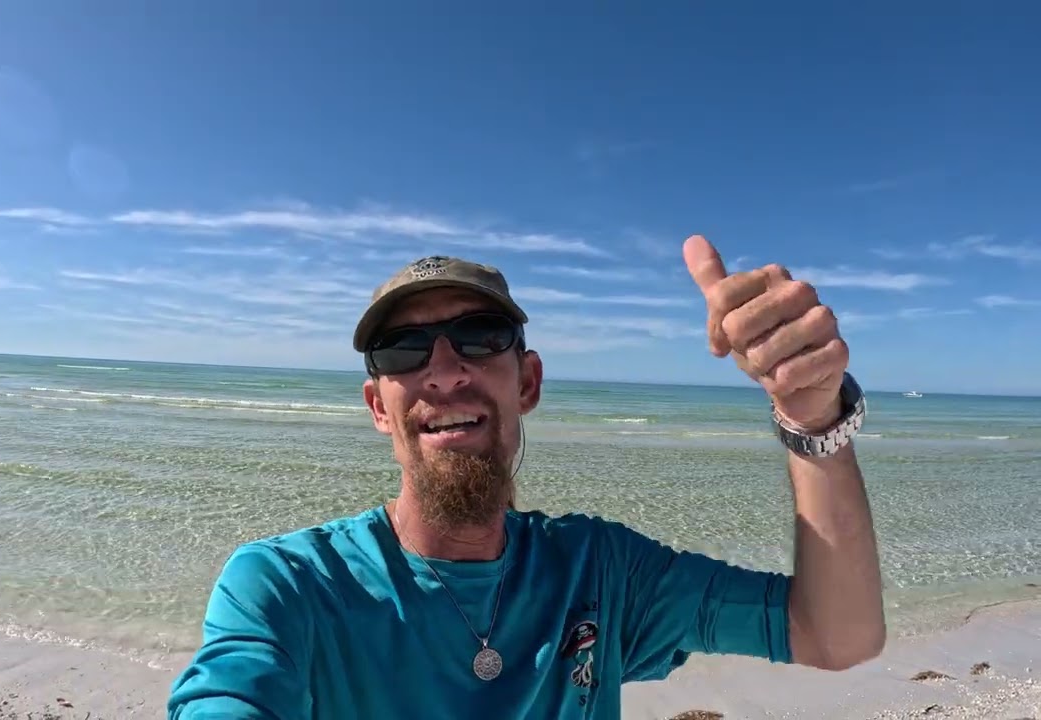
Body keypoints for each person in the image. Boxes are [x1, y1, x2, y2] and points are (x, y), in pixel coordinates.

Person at [167, 236, 886, 719]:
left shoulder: (602, 574)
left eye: (480, 339)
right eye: (403, 350)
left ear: (528, 382)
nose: (445, 372)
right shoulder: (288, 587)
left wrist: (813, 418)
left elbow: (834, 635)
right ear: (377, 407)